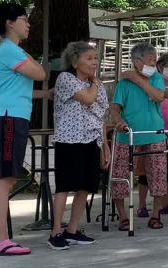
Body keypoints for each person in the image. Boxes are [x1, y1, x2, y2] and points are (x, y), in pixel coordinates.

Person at [0, 4, 49, 256]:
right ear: (10, 23)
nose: (28, 24)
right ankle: (1, 240)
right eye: (24, 19)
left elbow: (19, 89)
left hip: (5, 116)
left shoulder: (8, 51)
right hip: (10, 119)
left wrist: (47, 94)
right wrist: (30, 56)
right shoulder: (10, 50)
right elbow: (40, 73)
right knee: (5, 181)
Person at [48, 42, 109, 250]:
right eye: (89, 58)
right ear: (75, 62)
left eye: (95, 58)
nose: (94, 62)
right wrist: (96, 83)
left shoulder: (97, 84)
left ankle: (72, 230)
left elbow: (100, 116)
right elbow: (88, 99)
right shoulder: (66, 79)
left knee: (86, 186)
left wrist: (104, 146)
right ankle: (56, 232)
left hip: (91, 140)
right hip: (69, 139)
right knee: (65, 185)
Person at [110, 43, 168, 231]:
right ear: (137, 62)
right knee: (120, 176)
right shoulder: (123, 84)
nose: (154, 63)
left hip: (154, 134)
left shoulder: (156, 78)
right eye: (150, 60)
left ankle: (155, 214)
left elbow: (159, 97)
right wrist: (119, 121)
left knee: (158, 176)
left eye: (155, 59)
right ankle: (123, 216)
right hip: (128, 136)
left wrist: (138, 80)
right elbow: (115, 108)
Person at [137, 53, 168, 218]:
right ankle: (142, 205)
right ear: (160, 66)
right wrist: (162, 93)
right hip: (153, 133)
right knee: (146, 170)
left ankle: (166, 204)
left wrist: (166, 94)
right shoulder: (151, 82)